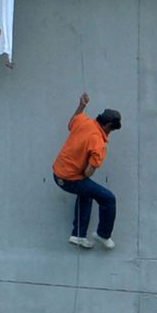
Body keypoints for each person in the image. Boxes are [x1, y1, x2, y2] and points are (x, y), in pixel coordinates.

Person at [52, 93, 121, 250]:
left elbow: (71, 123)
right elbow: (88, 173)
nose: (111, 132)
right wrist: (90, 162)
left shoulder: (83, 120)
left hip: (57, 173)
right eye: (112, 129)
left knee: (87, 192)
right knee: (108, 199)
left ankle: (78, 235)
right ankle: (103, 235)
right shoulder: (98, 144)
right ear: (108, 125)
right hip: (70, 179)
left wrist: (81, 106)